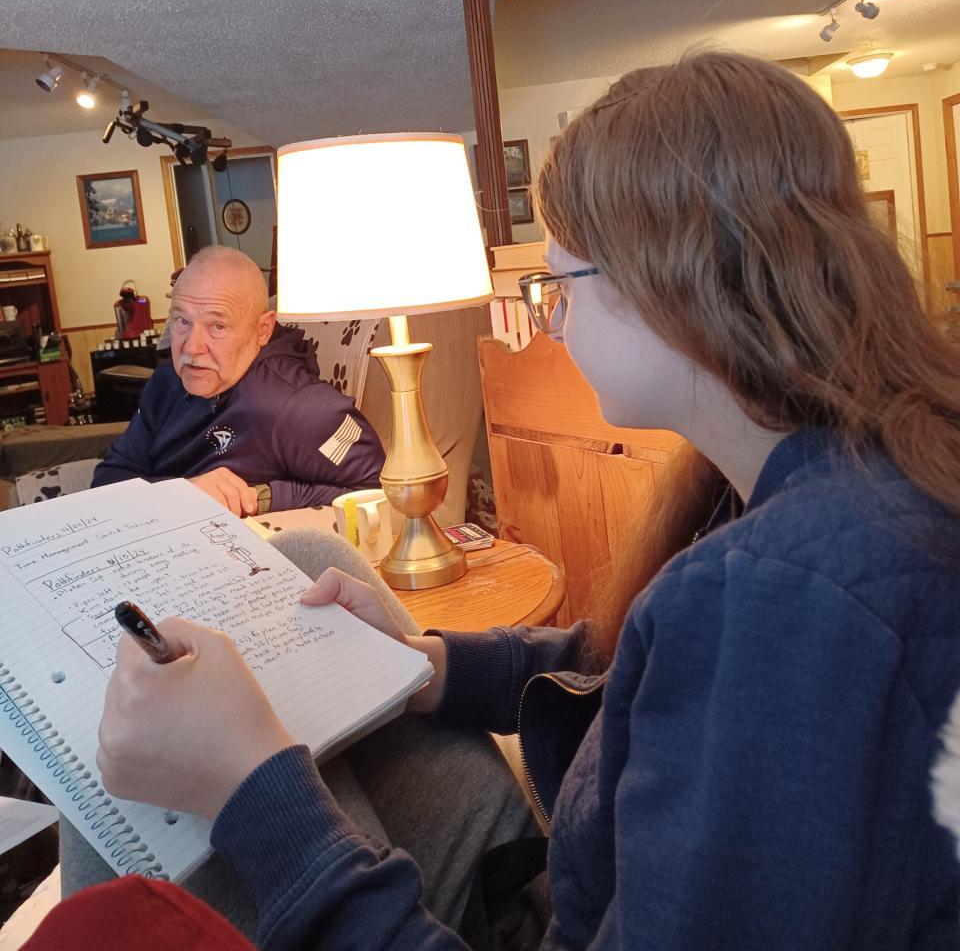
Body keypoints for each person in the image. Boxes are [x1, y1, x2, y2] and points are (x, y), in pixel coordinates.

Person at [78, 53, 960, 948]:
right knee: (311, 560)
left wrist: (250, 788)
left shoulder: (783, 603)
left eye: (558, 284)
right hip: (562, 859)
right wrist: (424, 664)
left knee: (112, 817)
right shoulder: (824, 475)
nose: (554, 319)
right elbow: (618, 671)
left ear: (674, 282)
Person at [92, 246, 385, 514]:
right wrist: (183, 493)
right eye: (183, 321)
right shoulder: (167, 380)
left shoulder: (300, 409)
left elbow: (379, 491)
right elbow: (108, 479)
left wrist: (262, 497)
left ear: (263, 329)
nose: (191, 347)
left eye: (217, 326)